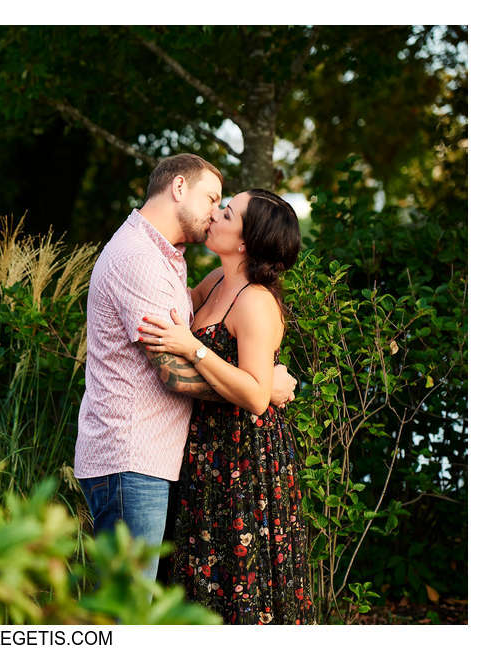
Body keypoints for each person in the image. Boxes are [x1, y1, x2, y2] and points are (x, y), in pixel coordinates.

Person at [73, 154, 297, 583]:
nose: (215, 212)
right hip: (133, 457)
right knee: (130, 609)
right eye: (214, 199)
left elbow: (210, 332)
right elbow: (173, 371)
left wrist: (255, 370)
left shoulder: (171, 258)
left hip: (195, 461)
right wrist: (263, 387)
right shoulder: (141, 258)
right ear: (179, 188)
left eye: (225, 209)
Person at [136, 189, 315, 624]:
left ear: (244, 242)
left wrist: (192, 349)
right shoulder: (216, 281)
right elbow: (176, 311)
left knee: (239, 578)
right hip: (205, 452)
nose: (214, 214)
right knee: (202, 573)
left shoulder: (255, 301)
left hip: (244, 459)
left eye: (227, 212)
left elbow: (256, 396)